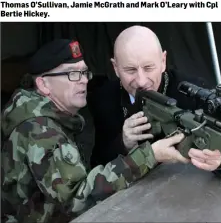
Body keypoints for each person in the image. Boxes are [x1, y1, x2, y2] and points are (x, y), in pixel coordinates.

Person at [1, 39, 187, 222]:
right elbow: (76, 200)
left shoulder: (45, 115)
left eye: (83, 73)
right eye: (71, 74)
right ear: (43, 84)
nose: (83, 81)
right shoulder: (40, 131)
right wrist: (149, 155)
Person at [86, 26, 221, 172]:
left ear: (163, 61)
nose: (141, 81)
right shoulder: (104, 99)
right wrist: (123, 143)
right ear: (115, 67)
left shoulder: (192, 92)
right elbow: (97, 166)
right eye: (130, 70)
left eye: (148, 68)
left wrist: (220, 162)